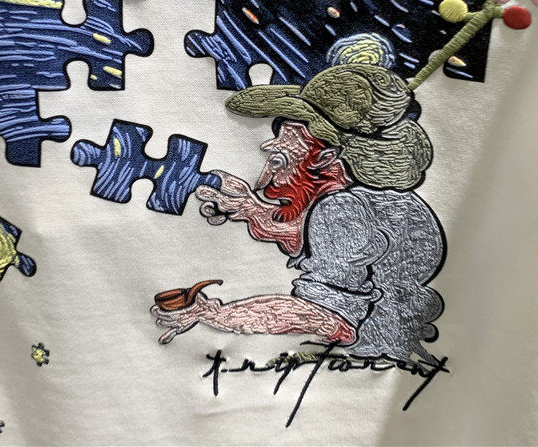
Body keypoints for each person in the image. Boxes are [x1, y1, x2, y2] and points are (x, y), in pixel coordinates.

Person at [152, 64, 446, 364]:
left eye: (279, 160)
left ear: (326, 157)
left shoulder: (340, 211)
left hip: (371, 355)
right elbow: (317, 239)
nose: (264, 182)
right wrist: (252, 211)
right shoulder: (362, 201)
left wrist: (216, 315)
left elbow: (328, 317)